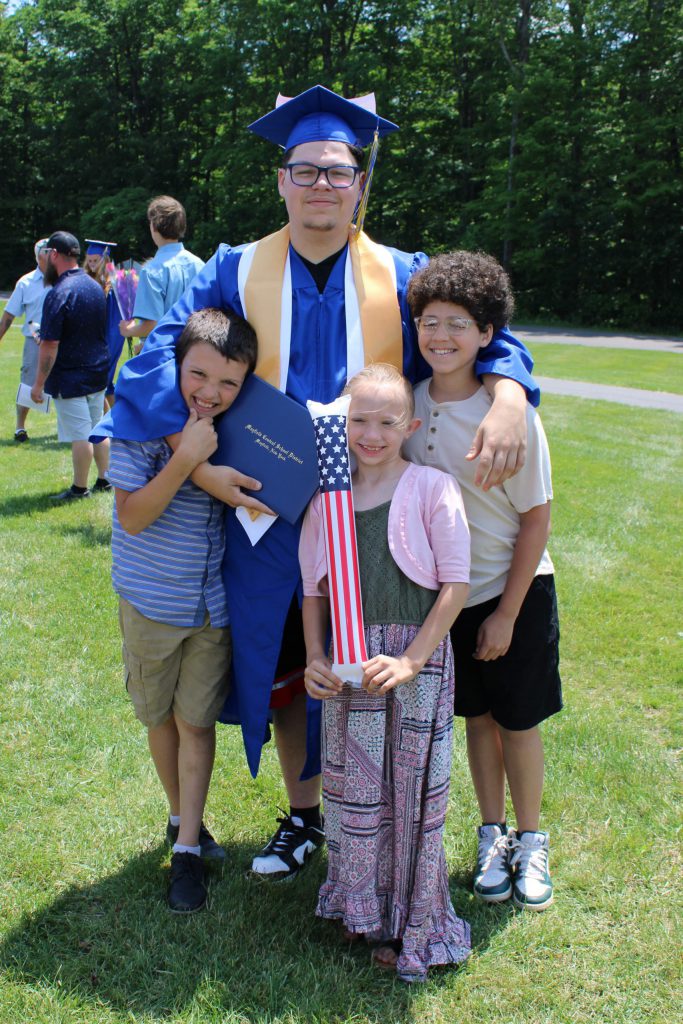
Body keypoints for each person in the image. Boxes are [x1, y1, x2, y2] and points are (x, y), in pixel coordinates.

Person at [104, 85, 539, 881]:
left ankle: (375, 820)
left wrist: (509, 392)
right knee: (288, 671)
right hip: (264, 516)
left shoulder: (403, 273)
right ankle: (305, 816)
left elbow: (481, 331)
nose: (321, 187)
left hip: (374, 514)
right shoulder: (235, 270)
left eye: (338, 173)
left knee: (376, 662)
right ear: (280, 182)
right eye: (304, 171)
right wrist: (195, 462)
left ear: (360, 185)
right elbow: (161, 364)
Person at [300, 363, 471, 982]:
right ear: (339, 424)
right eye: (357, 420)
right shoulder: (327, 500)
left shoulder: (431, 487)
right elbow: (313, 590)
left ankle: (414, 918)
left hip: (413, 666)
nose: (370, 433)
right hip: (350, 669)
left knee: (410, 794)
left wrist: (412, 659)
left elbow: (455, 585)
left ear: (411, 425)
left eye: (386, 421)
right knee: (355, 793)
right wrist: (317, 657)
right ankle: (361, 905)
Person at [404, 251, 561, 912]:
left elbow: (535, 518)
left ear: (487, 335)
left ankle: (530, 839)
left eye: (457, 324)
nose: (439, 336)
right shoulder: (408, 406)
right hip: (449, 599)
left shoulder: (510, 412)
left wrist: (505, 614)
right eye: (428, 321)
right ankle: (490, 834)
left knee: (516, 722)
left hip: (512, 592)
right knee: (475, 718)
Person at [108, 308, 257, 913]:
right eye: (198, 375)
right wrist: (186, 458)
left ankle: (188, 847)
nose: (210, 393)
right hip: (150, 601)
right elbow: (133, 516)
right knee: (159, 718)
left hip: (211, 607)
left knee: (196, 722)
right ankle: (178, 815)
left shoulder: (237, 426)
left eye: (229, 383)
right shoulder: (144, 423)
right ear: (175, 365)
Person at [31, 231, 111, 501]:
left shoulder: (59, 292)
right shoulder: (94, 287)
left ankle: (79, 488)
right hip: (97, 371)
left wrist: (39, 384)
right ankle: (104, 479)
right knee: (98, 429)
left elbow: (50, 344)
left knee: (81, 435)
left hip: (71, 376)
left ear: (54, 255)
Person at [118, 196, 204, 353]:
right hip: (195, 354)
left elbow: (152, 324)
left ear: (154, 227)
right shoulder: (199, 265)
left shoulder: (152, 271)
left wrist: (128, 330)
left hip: (163, 357)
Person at [0, 238, 50, 442]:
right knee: (28, 383)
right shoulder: (26, 282)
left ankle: (72, 429)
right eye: (48, 252)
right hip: (34, 342)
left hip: (63, 341)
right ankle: (20, 427)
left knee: (68, 385)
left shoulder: (65, 278)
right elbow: (9, 316)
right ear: (39, 256)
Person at [83, 239, 125, 413]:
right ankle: (116, 421)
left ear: (105, 259)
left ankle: (108, 423)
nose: (92, 264)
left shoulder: (114, 282)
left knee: (100, 381)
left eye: (95, 260)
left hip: (110, 335)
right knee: (102, 382)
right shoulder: (86, 279)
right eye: (89, 261)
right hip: (93, 337)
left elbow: (116, 315)